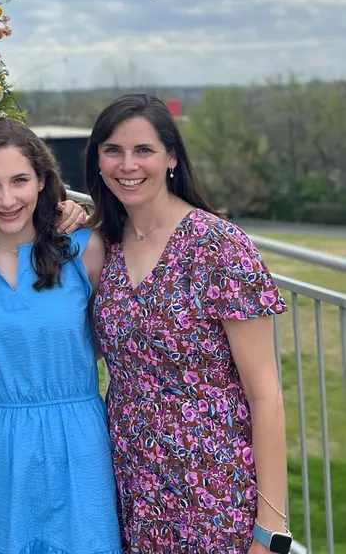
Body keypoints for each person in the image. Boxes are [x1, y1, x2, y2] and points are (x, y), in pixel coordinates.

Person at [87, 93, 291, 554]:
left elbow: (265, 394)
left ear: (172, 157)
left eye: (144, 150)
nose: (127, 165)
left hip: (214, 492)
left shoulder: (218, 247)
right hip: (131, 488)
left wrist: (270, 529)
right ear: (97, 159)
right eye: (113, 150)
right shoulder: (105, 245)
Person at [0, 118, 123, 554]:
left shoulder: (84, 247)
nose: (7, 199)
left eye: (20, 180)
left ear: (42, 181)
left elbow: (112, 336)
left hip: (78, 437)